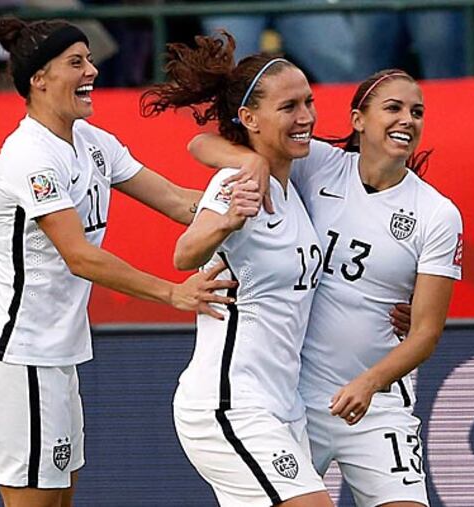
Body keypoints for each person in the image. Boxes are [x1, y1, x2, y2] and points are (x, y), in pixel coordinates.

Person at [0, 17, 236, 507]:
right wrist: (173, 292)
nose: (92, 70)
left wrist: (242, 202)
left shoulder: (92, 143)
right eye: (76, 62)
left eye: (89, 59)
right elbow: (80, 256)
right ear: (38, 79)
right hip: (18, 358)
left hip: (56, 358)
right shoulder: (28, 156)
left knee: (61, 500)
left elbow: (177, 201)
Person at [188, 69, 463, 507]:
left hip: (374, 402)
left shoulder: (437, 214)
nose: (407, 119)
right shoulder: (316, 165)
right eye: (393, 108)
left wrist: (370, 383)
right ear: (358, 119)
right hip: (297, 398)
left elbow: (426, 332)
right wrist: (249, 161)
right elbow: (200, 144)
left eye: (417, 112)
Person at [140, 32, 335, 507]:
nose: (306, 116)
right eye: (289, 107)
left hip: (283, 406)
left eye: (309, 101)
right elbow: (185, 253)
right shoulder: (236, 182)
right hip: (229, 403)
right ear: (249, 118)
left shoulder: (292, 185)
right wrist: (226, 221)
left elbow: (199, 143)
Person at [201, 0, 356, 83]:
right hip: (228, 3)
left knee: (337, 59)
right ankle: (237, 134)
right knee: (233, 73)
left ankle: (353, 131)